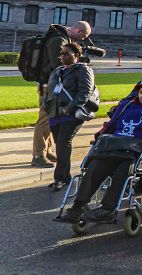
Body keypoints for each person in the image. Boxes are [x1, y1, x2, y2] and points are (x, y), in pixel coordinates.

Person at [55, 75, 142, 223]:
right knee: (94, 166)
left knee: (125, 167)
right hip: (116, 146)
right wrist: (99, 137)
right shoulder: (126, 106)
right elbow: (111, 126)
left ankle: (108, 210)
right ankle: (77, 207)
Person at [32, 20, 92, 168]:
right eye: (83, 37)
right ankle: (38, 154)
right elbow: (59, 65)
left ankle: (48, 150)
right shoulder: (58, 39)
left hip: (55, 86)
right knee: (45, 120)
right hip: (50, 87)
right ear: (79, 32)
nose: (83, 40)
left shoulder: (62, 37)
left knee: (53, 119)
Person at [43, 42, 95, 190]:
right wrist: (46, 104)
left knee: (63, 144)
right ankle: (65, 176)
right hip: (55, 113)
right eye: (61, 53)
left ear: (77, 55)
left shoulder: (84, 70)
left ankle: (59, 178)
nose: (62, 56)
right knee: (60, 146)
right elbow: (50, 90)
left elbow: (85, 92)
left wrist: (69, 108)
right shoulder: (58, 71)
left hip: (72, 114)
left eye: (66, 53)